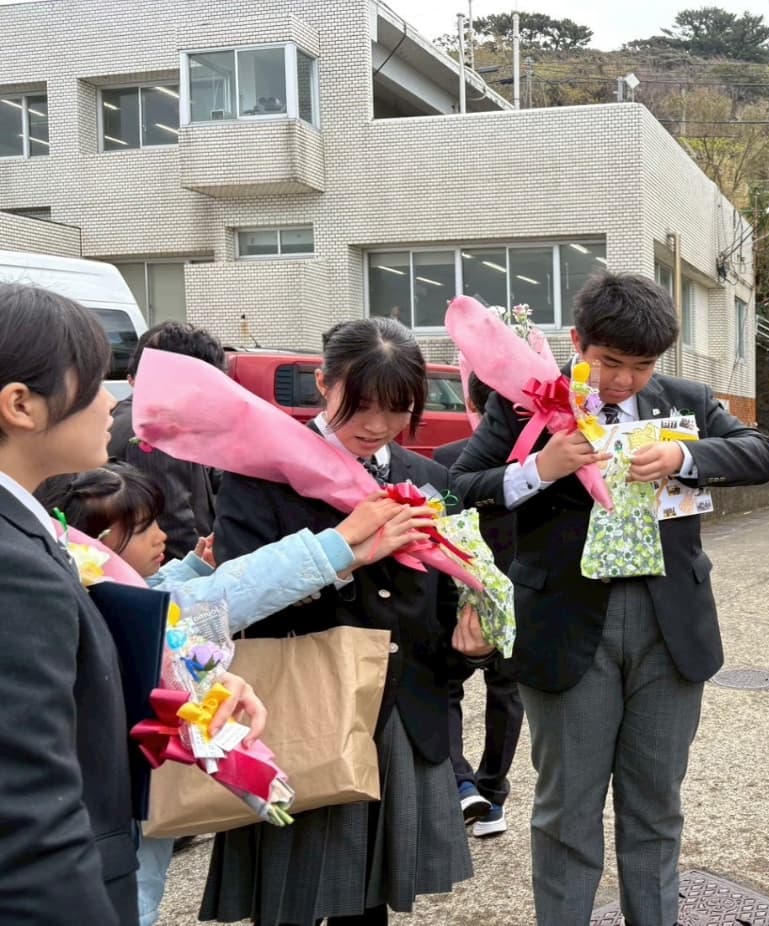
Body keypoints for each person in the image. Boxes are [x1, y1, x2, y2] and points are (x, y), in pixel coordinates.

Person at [451, 271, 769, 926]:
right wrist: (540, 468)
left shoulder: (681, 400)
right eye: (610, 363)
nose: (625, 381)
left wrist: (685, 456)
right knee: (567, 810)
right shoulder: (525, 405)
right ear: (578, 343)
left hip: (669, 627)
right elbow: (459, 485)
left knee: (655, 809)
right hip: (568, 626)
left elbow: (762, 454)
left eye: (641, 366)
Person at [36, 463, 430, 926]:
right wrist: (338, 544)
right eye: (144, 529)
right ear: (95, 545)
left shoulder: (78, 585)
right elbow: (214, 598)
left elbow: (161, 593)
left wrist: (192, 567)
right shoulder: (100, 605)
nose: (162, 535)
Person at [202, 317, 494, 926]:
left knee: (369, 904)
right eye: (359, 405)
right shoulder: (263, 471)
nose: (376, 425)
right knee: (289, 898)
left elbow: (437, 615)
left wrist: (471, 649)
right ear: (323, 383)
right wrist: (341, 557)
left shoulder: (430, 479)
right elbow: (233, 601)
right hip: (299, 710)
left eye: (397, 409)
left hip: (396, 714)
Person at [0, 284, 255, 925]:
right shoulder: (14, 564)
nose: (112, 401)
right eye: (94, 384)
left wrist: (192, 683)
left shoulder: (26, 529)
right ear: (20, 405)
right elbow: (32, 815)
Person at [433, 373, 523, 837]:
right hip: (520, 596)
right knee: (507, 693)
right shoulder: (541, 463)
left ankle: (460, 783)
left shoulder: (449, 462)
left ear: (471, 401)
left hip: (461, 595)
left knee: (445, 686)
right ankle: (491, 794)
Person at [108, 322, 225, 561]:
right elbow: (172, 524)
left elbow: (209, 474)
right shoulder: (153, 428)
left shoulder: (133, 412)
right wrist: (199, 571)